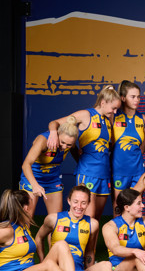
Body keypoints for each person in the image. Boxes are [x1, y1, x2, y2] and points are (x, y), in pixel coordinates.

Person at [34, 185, 133, 271]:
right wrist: (43, 262)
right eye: (75, 202)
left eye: (83, 203)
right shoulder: (53, 219)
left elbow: (90, 251)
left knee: (106, 265)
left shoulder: (93, 224)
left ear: (88, 204)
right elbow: (38, 238)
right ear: (69, 201)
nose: (79, 206)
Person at [47, 85, 121, 220]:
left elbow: (108, 146)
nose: (115, 112)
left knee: (96, 220)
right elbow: (55, 123)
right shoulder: (86, 115)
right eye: (113, 108)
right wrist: (53, 133)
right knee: (88, 217)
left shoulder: (108, 120)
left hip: (104, 175)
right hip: (88, 173)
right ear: (103, 103)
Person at [19, 116, 78, 216]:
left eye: (68, 145)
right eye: (62, 142)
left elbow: (80, 159)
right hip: (32, 178)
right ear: (57, 134)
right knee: (25, 219)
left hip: (53, 180)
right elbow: (26, 165)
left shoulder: (70, 144)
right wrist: (35, 185)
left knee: (55, 220)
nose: (64, 147)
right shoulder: (43, 141)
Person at [111, 81, 145, 211]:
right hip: (119, 170)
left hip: (137, 171)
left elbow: (142, 145)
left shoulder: (142, 118)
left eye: (138, 96)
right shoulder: (114, 116)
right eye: (133, 96)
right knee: (119, 207)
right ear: (123, 98)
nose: (137, 100)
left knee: (136, 206)